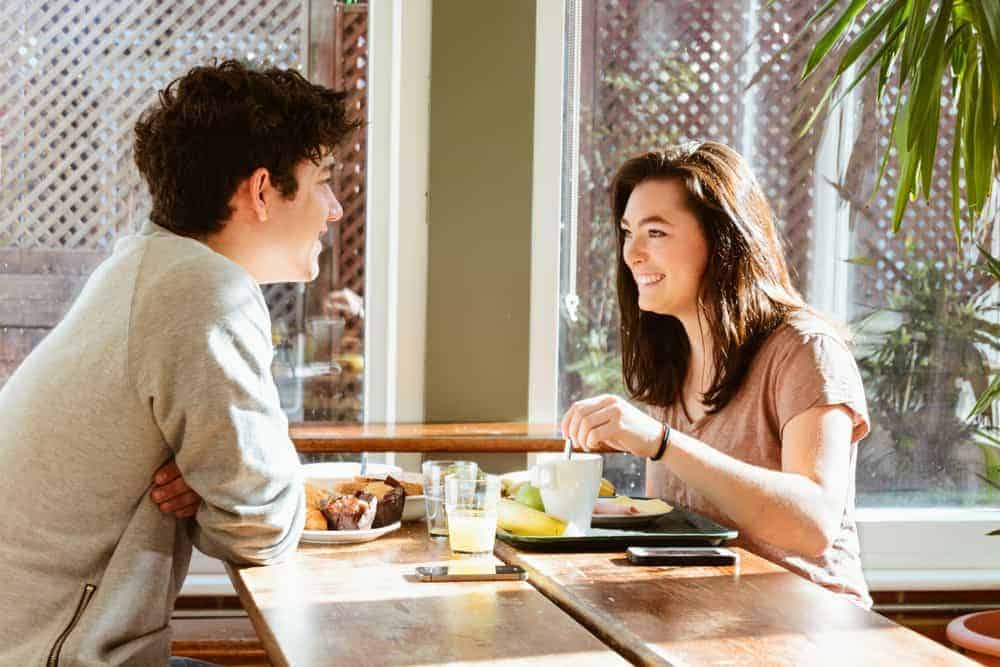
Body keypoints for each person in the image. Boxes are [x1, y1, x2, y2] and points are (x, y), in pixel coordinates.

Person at [0, 60, 359, 665]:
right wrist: (220, 491)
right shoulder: (204, 294)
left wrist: (212, 484)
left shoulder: (147, 264)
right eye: (323, 179)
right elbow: (260, 528)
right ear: (263, 189)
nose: (335, 210)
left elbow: (241, 501)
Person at [562, 142, 872, 608]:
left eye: (656, 232)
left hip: (808, 626)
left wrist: (662, 441)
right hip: (703, 618)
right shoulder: (673, 360)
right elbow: (672, 532)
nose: (632, 254)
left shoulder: (805, 351)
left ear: (722, 239)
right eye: (628, 232)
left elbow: (813, 526)